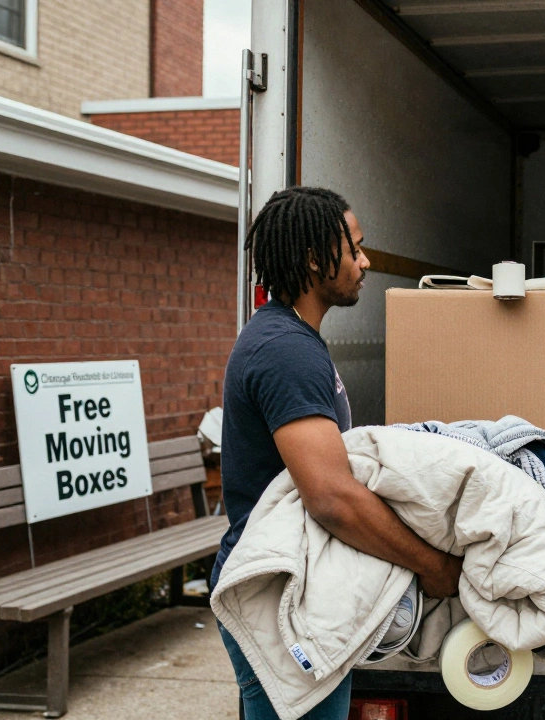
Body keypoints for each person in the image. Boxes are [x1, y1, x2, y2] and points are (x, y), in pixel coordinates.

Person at [211, 187, 463, 719]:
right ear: (312, 259)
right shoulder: (286, 352)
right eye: (355, 248)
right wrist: (430, 564)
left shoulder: (291, 338)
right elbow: (330, 496)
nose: (365, 261)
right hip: (276, 587)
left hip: (289, 583)